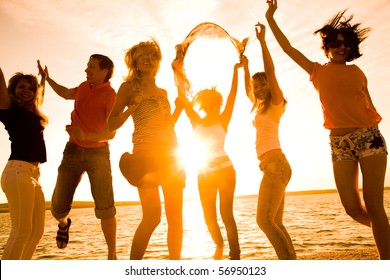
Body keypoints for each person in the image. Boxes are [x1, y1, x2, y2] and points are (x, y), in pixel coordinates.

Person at [265, 0, 389, 259]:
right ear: (327, 47)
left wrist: (375, 135)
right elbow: (287, 48)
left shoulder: (358, 72)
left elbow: (371, 107)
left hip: (368, 138)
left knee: (375, 205)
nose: (341, 47)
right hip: (339, 144)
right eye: (335, 43)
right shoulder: (316, 72)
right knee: (352, 208)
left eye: (345, 44)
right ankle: (384, 232)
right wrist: (271, 17)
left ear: (351, 48)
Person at [107, 39, 186, 260]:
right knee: (152, 218)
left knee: (176, 218)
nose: (148, 59)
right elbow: (110, 124)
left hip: (171, 157)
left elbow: (166, 126)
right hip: (145, 158)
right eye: (143, 56)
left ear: (157, 61)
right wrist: (131, 107)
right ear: (134, 61)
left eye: (152, 55)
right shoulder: (129, 88)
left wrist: (178, 110)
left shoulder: (163, 92)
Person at [40, 54, 118, 260]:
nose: (87, 70)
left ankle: (112, 254)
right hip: (72, 151)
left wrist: (87, 136)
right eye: (87, 66)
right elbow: (65, 93)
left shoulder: (111, 95)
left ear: (105, 71)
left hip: (99, 154)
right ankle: (64, 224)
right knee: (57, 208)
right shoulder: (84, 87)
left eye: (91, 67)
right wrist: (47, 79)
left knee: (106, 208)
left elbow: (111, 132)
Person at [173, 52, 243, 260]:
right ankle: (219, 245)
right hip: (204, 174)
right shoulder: (196, 120)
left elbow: (233, 95)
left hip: (226, 171)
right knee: (208, 216)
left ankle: (235, 256)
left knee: (226, 214)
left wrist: (235, 70)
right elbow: (182, 97)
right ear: (204, 105)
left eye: (217, 104)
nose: (216, 107)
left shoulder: (223, 119)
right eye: (211, 104)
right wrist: (177, 70)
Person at [242, 22, 296, 260]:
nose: (259, 88)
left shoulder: (276, 105)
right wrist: (243, 64)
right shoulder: (258, 108)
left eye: (263, 84)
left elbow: (270, 72)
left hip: (276, 164)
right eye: (256, 86)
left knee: (264, 221)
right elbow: (248, 89)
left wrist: (263, 41)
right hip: (271, 165)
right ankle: (292, 263)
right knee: (276, 222)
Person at [0, 61, 48, 259]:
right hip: (17, 172)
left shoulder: (33, 112)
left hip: (33, 176)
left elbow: (39, 95)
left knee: (36, 232)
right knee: (21, 231)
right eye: (21, 87)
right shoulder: (8, 110)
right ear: (12, 90)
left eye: (30, 88)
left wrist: (43, 79)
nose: (26, 90)